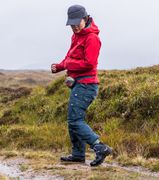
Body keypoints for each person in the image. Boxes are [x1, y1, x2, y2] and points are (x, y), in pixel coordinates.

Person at [51, 4, 112, 166]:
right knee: (74, 119)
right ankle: (78, 154)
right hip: (78, 84)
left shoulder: (92, 38)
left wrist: (69, 64)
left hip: (87, 85)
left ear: (85, 19)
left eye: (77, 23)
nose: (75, 27)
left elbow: (89, 63)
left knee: (75, 120)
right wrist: (59, 66)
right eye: (72, 24)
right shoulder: (76, 36)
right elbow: (70, 56)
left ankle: (99, 147)